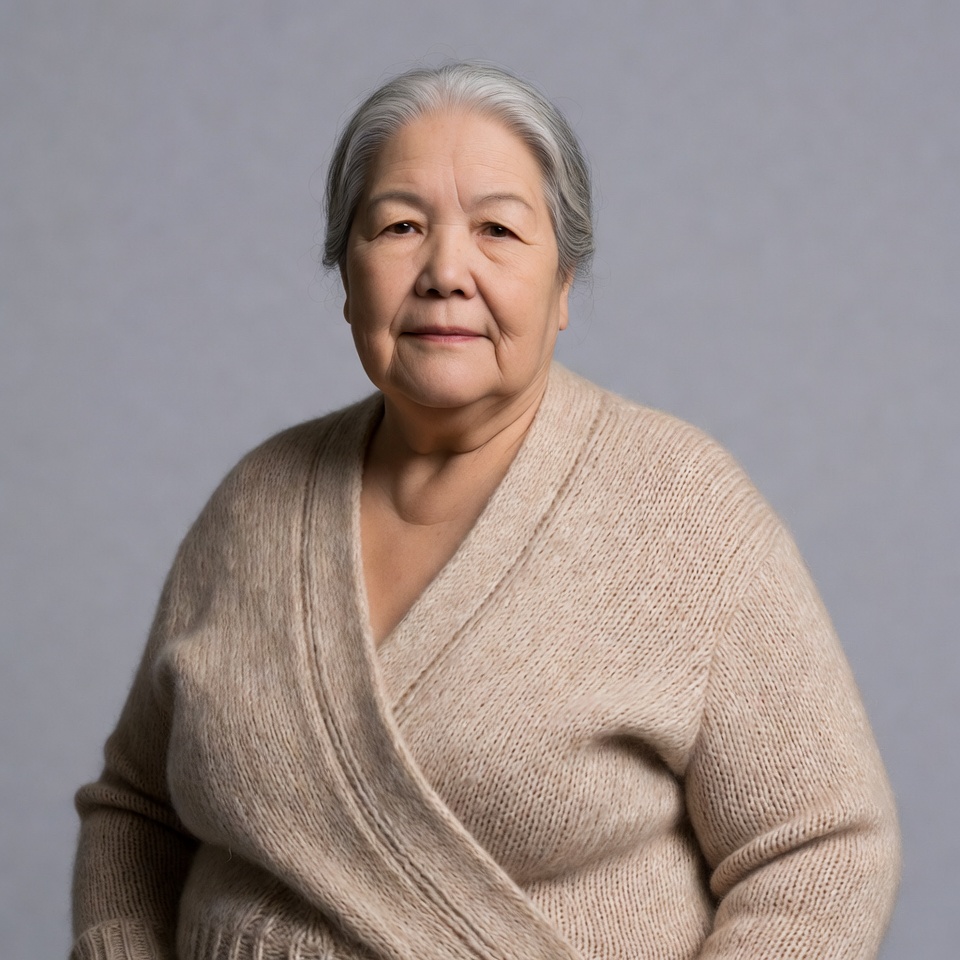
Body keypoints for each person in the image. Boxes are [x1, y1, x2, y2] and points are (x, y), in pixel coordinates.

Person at [71, 62, 900, 960]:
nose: (445, 271)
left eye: (498, 229)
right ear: (346, 276)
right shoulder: (252, 505)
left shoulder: (684, 512)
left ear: (564, 285)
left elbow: (823, 854)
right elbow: (135, 809)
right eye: (399, 226)